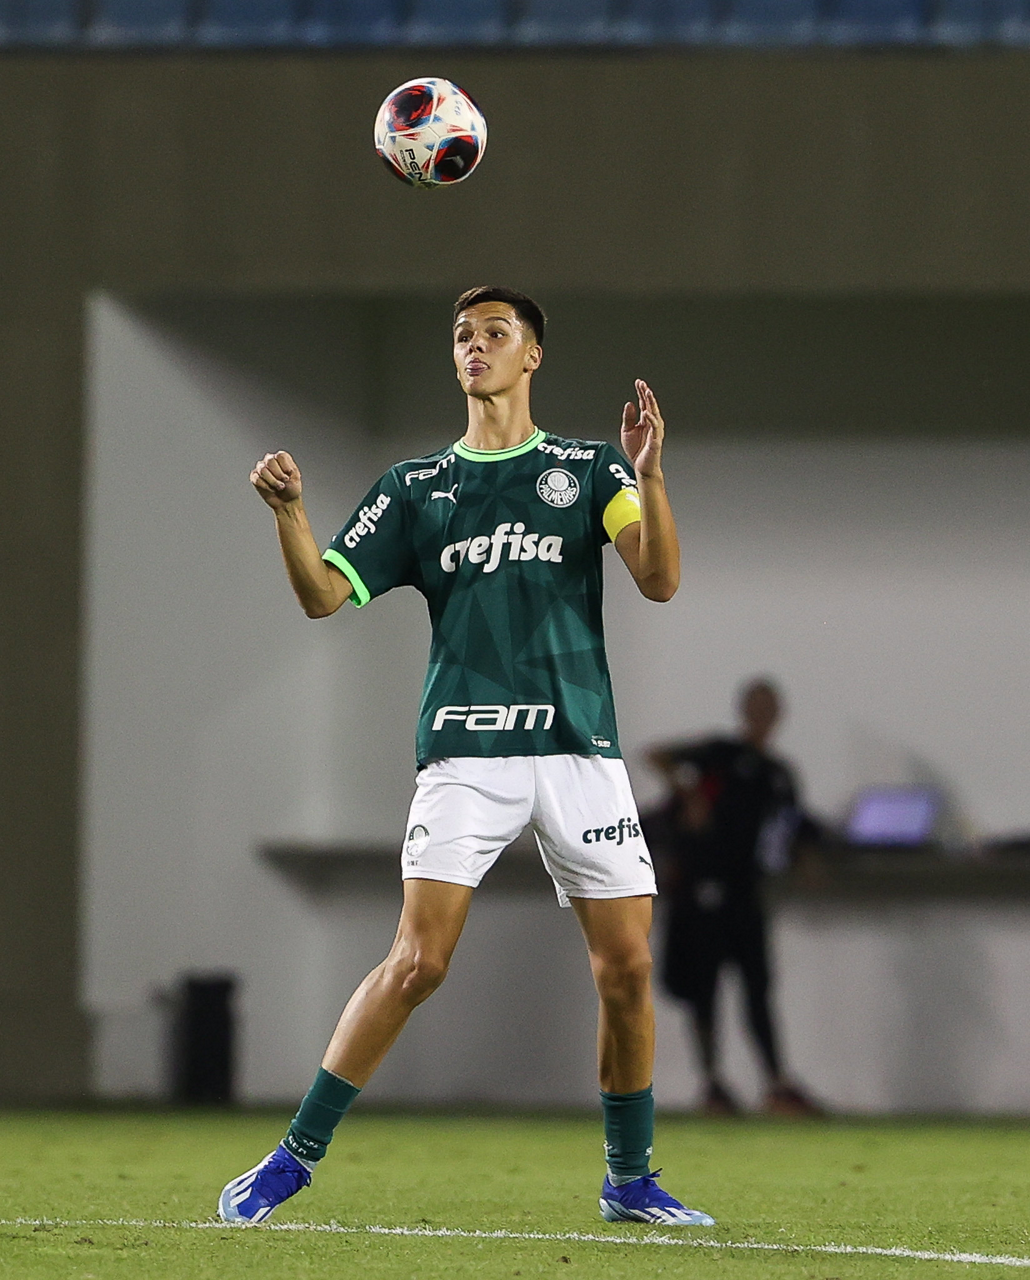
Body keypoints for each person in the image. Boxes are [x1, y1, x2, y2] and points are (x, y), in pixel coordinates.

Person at [217, 286, 715, 1228]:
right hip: (466, 752)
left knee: (627, 969)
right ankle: (291, 1159)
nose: (474, 346)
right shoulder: (414, 488)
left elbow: (659, 578)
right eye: (461, 336)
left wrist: (650, 474)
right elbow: (323, 595)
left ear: (533, 356)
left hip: (578, 750)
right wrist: (290, 513)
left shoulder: (587, 468)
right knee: (418, 962)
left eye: (495, 333)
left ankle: (629, 1181)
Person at [645, 679, 822, 1117]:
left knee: (757, 987)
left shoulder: (778, 774)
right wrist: (689, 795)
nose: (762, 716)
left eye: (769, 708)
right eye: (756, 706)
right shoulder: (719, 754)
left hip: (746, 892)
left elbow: (791, 826)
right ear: (744, 711)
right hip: (703, 890)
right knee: (703, 989)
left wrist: (805, 859)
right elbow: (657, 755)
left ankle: (776, 1083)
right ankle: (712, 1084)